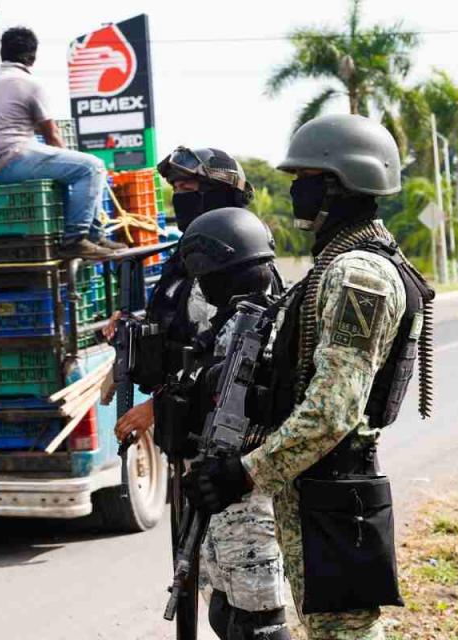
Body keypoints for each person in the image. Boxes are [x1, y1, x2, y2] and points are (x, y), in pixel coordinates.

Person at [183, 114, 435, 640]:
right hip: (317, 484)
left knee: (343, 634)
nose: (295, 189)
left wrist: (244, 472)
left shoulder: (357, 274)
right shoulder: (338, 263)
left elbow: (333, 411)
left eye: (304, 179)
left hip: (333, 486)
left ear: (337, 185)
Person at [177, 207, 291, 640]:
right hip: (219, 489)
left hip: (246, 494)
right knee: (225, 613)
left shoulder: (261, 333)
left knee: (260, 622)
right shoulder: (229, 327)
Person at [110, 147, 256, 443]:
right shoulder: (185, 257)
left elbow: (230, 352)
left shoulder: (243, 262)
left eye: (188, 188)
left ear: (219, 194)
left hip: (224, 436)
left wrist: (156, 407)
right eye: (176, 188)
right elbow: (179, 324)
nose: (180, 197)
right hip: (183, 425)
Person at [0, 27, 123, 259]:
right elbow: (52, 136)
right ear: (32, 57)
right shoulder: (30, 83)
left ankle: (93, 235)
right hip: (17, 158)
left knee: (79, 170)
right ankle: (76, 239)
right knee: (91, 167)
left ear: (2, 53)